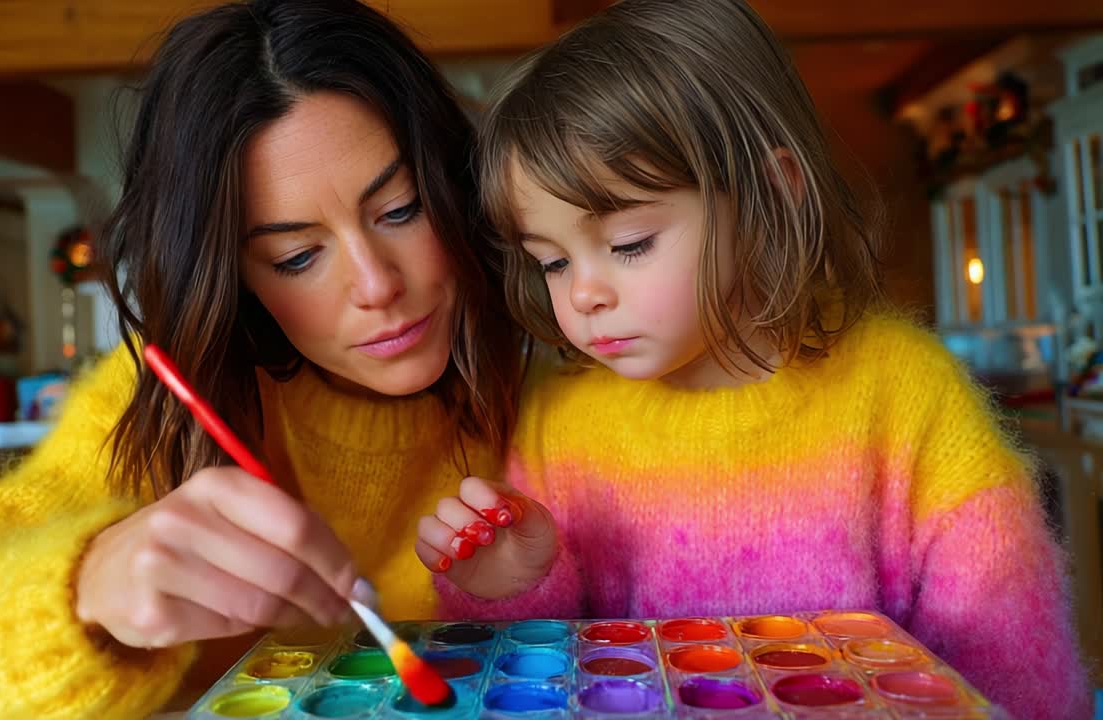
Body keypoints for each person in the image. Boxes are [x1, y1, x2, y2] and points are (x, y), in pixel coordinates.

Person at [415, 0, 1093, 716]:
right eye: (550, 261)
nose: (583, 293)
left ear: (773, 191)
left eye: (629, 245)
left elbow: (1012, 659)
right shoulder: (562, 417)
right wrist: (512, 583)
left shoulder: (906, 392)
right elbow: (536, 675)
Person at [0, 1, 526, 718]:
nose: (377, 284)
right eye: (295, 256)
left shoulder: (574, 340)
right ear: (232, 275)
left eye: (401, 210)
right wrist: (86, 591)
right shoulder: (171, 398)